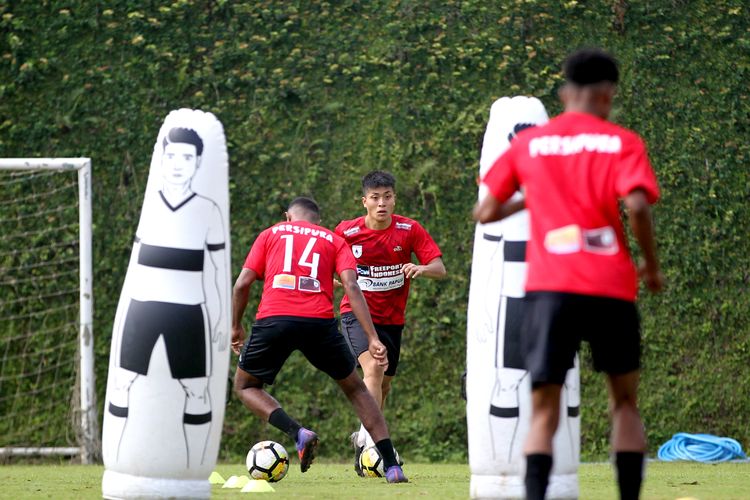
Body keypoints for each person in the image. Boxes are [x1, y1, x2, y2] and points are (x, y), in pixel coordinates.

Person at [473, 48, 663, 500]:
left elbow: (486, 211)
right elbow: (636, 205)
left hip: (549, 288)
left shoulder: (530, 143)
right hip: (611, 286)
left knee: (543, 410)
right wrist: (651, 267)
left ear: (564, 93)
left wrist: (532, 197)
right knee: (624, 404)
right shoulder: (620, 141)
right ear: (607, 95)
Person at [231, 196, 408, 483]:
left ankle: (297, 432)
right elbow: (352, 285)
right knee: (357, 390)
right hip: (319, 323)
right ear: (319, 221)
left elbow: (242, 284)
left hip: (274, 320)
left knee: (246, 386)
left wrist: (235, 327)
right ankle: (392, 466)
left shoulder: (270, 234)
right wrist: (373, 337)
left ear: (288, 217)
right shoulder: (333, 239)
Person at [106, 126, 227, 468]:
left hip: (189, 314)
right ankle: (119, 462)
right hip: (142, 309)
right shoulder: (150, 206)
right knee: (122, 382)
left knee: (196, 391)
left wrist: (219, 318)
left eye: (186, 157)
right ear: (162, 159)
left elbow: (217, 272)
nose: (177, 163)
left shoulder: (208, 210)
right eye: (171, 155)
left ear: (198, 162)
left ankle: (194, 468)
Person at [336, 170, 446, 475]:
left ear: (394, 199)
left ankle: (362, 442)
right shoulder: (347, 232)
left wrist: (421, 269)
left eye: (387, 196)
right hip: (356, 314)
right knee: (373, 368)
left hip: (392, 320)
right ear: (364, 202)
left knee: (383, 386)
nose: (382, 203)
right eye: (375, 198)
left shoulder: (410, 229)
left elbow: (440, 268)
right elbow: (326, 260)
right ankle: (372, 444)